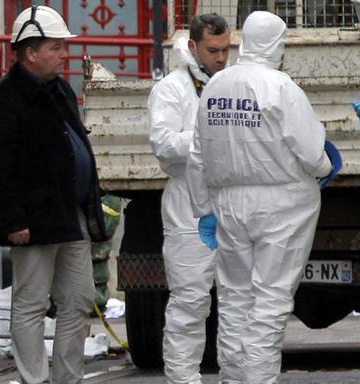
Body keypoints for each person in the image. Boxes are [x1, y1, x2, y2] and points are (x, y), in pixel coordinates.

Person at [185, 11, 340, 383]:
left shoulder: (217, 86)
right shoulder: (280, 87)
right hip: (281, 206)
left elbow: (197, 153)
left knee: (235, 300)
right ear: (277, 43)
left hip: (228, 205)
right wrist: (325, 167)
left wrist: (203, 207)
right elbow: (310, 151)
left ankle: (234, 379)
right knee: (269, 302)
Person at [0, 5, 107, 384]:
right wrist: (13, 220)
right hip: (33, 221)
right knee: (31, 303)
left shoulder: (59, 89)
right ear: (30, 52)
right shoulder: (4, 100)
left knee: (79, 299)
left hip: (70, 214)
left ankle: (68, 377)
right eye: (55, 47)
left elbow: (74, 144)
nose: (63, 54)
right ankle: (33, 378)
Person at [147, 13, 230, 384]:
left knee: (236, 302)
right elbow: (163, 145)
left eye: (227, 49)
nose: (222, 57)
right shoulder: (172, 89)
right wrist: (206, 138)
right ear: (193, 46)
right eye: (214, 50)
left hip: (229, 203)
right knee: (190, 304)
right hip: (187, 209)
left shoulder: (230, 84)